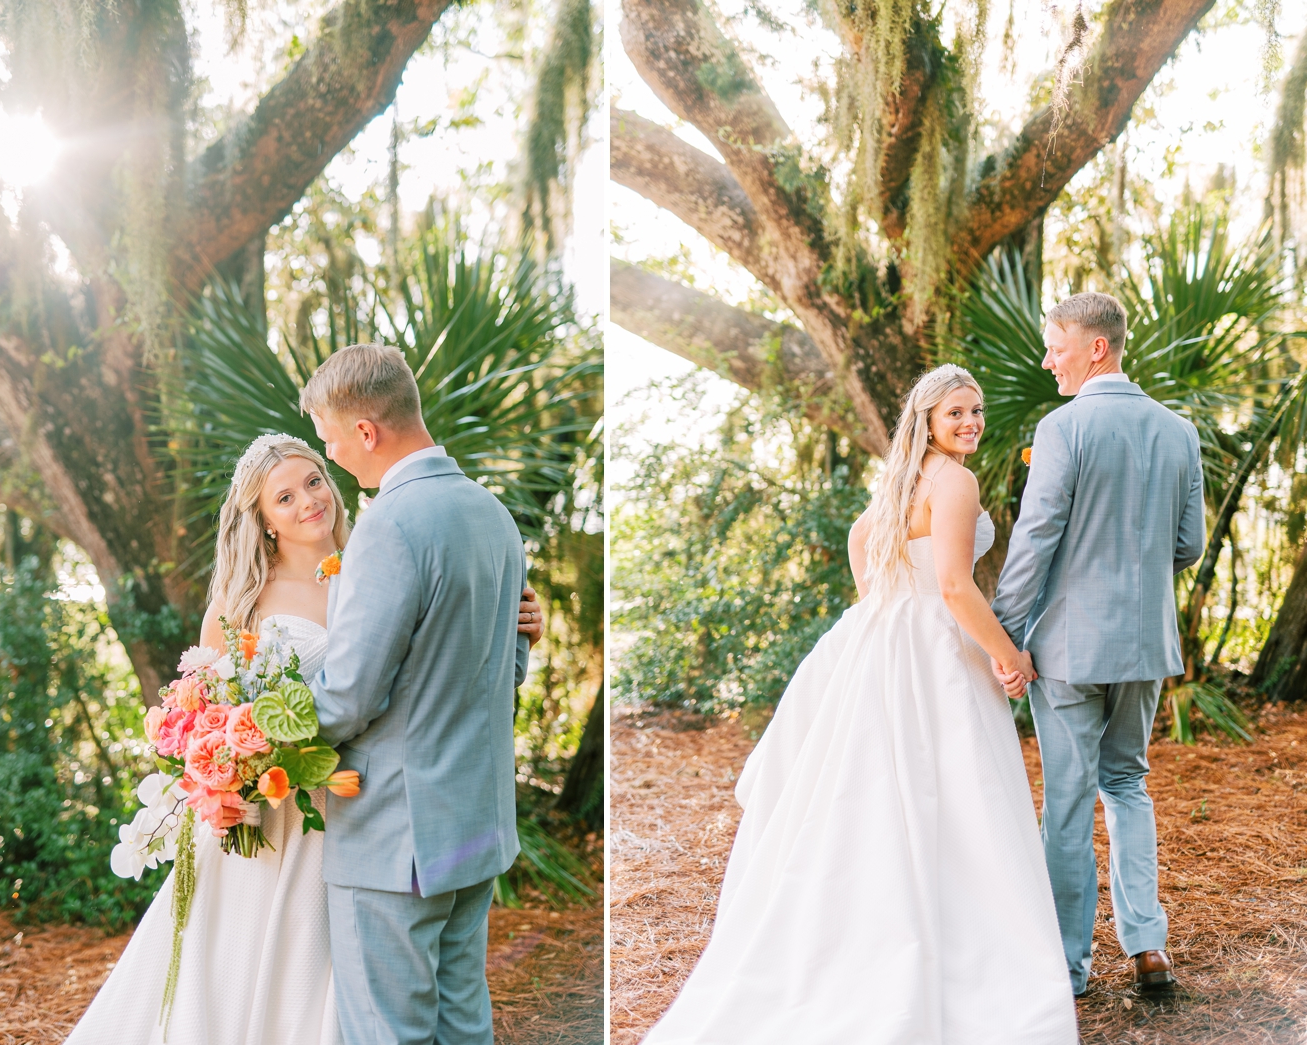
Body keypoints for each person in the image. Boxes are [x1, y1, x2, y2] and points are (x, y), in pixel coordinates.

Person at [641, 364, 1078, 1044]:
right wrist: (1008, 656)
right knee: (959, 803)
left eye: (976, 410)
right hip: (936, 650)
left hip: (878, 644)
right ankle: (964, 958)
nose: (970, 422)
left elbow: (862, 550)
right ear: (928, 419)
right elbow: (958, 587)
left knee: (871, 799)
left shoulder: (900, 482)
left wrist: (890, 606)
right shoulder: (955, 481)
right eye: (956, 412)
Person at [65, 434, 544, 1045]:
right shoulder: (238, 608)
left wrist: (517, 628)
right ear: (263, 521)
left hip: (363, 805)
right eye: (284, 497)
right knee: (248, 973)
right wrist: (223, 781)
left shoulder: (381, 554)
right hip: (272, 816)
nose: (307, 502)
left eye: (313, 481)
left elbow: (445, 664)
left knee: (346, 984)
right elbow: (204, 722)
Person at [301, 342, 532, 1045]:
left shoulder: (388, 527)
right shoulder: (495, 515)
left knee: (387, 1032)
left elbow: (347, 694)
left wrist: (257, 731)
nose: (333, 458)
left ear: (366, 433)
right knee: (464, 1025)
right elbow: (508, 665)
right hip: (475, 828)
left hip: (396, 838)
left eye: (333, 441)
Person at [991, 292, 1204, 997]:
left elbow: (1036, 538)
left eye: (1056, 345)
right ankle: (1148, 947)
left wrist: (1005, 632)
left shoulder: (1063, 427)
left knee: (1070, 801)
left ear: (1096, 348)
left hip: (1069, 651)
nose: (1047, 358)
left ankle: (1068, 966)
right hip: (1144, 644)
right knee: (1128, 784)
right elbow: (1187, 544)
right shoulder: (1178, 431)